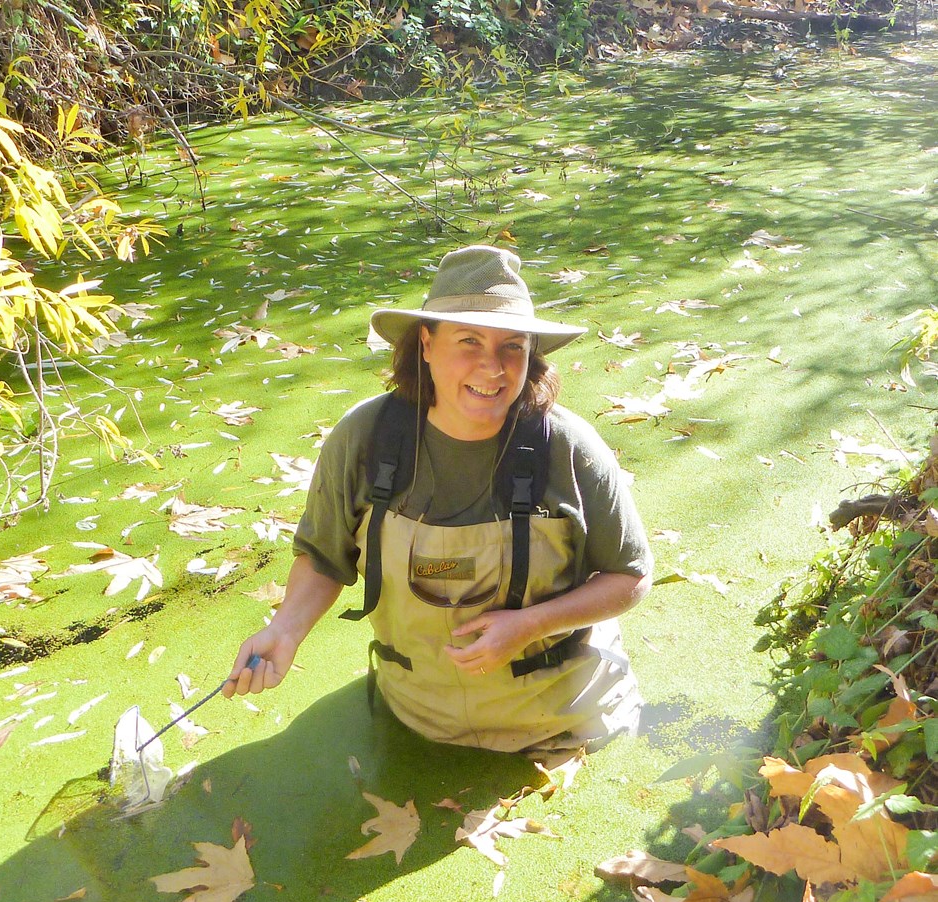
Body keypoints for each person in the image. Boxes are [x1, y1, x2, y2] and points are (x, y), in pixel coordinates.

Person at [223, 246, 653, 754]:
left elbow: (631, 576)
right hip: (414, 718)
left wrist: (529, 626)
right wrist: (285, 630)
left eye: (513, 346)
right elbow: (323, 557)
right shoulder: (366, 438)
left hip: (564, 725)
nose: (493, 367)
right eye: (468, 340)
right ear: (425, 344)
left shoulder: (567, 446)